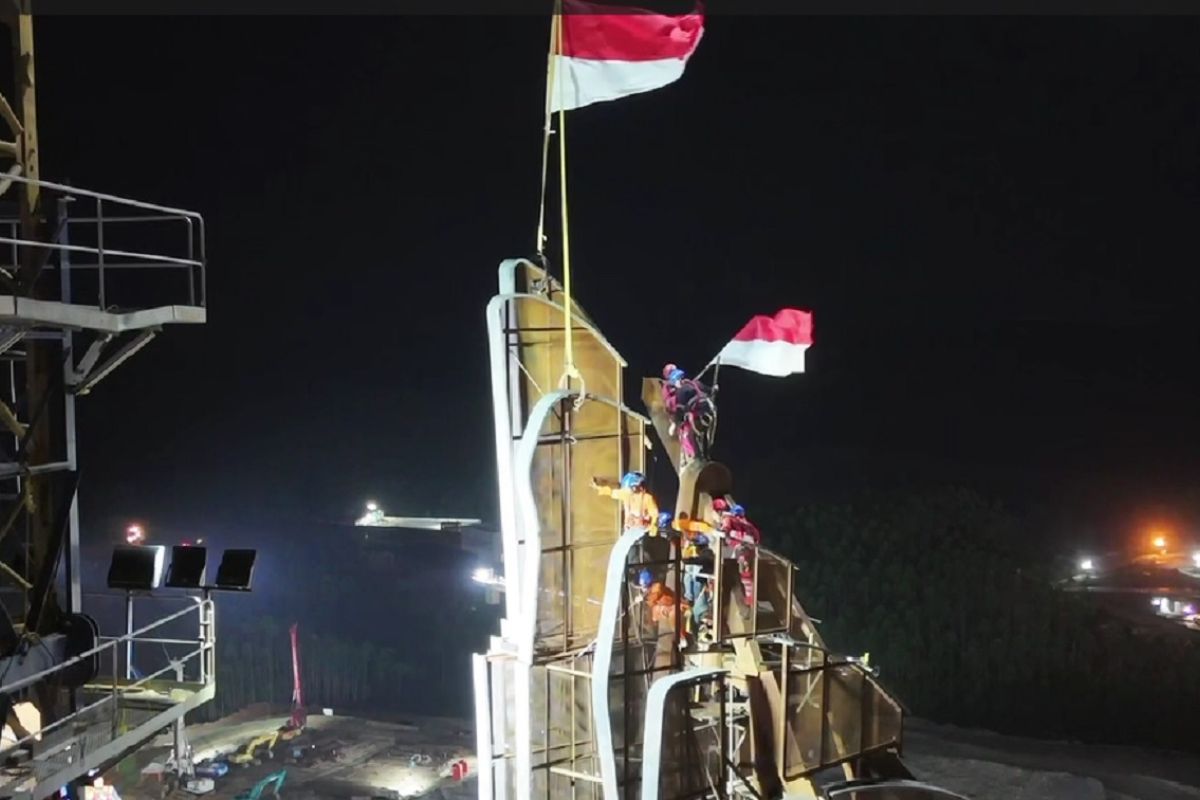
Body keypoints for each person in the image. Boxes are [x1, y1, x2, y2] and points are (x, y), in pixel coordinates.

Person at [660, 364, 716, 463]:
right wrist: (714, 389)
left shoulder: (681, 391)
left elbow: (677, 410)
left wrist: (675, 422)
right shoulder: (693, 383)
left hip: (697, 415)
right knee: (702, 435)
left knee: (688, 435)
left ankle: (697, 457)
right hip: (709, 412)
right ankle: (703, 454)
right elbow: (710, 391)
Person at [718, 503, 761, 605]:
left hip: (739, 547)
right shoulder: (749, 525)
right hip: (750, 548)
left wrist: (724, 534)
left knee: (744, 570)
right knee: (747, 572)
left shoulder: (729, 519)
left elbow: (725, 528)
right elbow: (757, 537)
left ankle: (750, 598)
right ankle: (750, 597)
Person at [592, 472, 660, 534]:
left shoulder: (647, 498)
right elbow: (612, 492)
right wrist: (598, 487)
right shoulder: (626, 495)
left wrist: (653, 526)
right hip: (629, 531)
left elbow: (655, 515)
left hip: (644, 532)